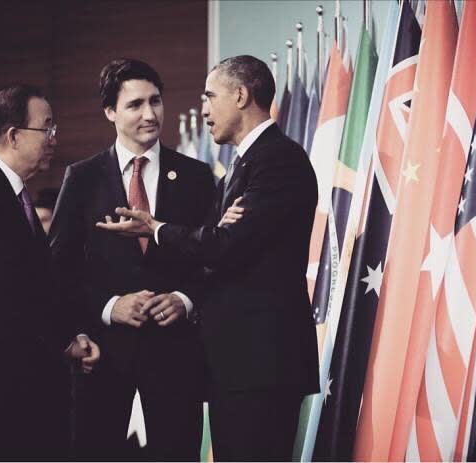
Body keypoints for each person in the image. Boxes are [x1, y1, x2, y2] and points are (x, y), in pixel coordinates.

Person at [97, 55, 320, 461]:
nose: (202, 109)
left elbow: (224, 245)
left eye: (209, 96)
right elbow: (216, 244)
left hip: (262, 363)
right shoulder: (243, 166)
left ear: (240, 95)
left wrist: (157, 228)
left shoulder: (279, 160)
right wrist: (219, 234)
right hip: (237, 363)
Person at [49, 58, 215, 460]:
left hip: (176, 358)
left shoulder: (197, 176)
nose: (149, 114)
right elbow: (58, 270)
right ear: (110, 112)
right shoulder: (82, 178)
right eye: (135, 104)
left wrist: (184, 299)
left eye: (155, 101)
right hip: (103, 357)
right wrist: (109, 307)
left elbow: (216, 261)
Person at [0, 84, 100, 457]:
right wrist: (67, 342)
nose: (53, 139)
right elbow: (7, 297)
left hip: (27, 387)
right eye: (46, 128)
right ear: (13, 135)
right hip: (1, 392)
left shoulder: (10, 193)